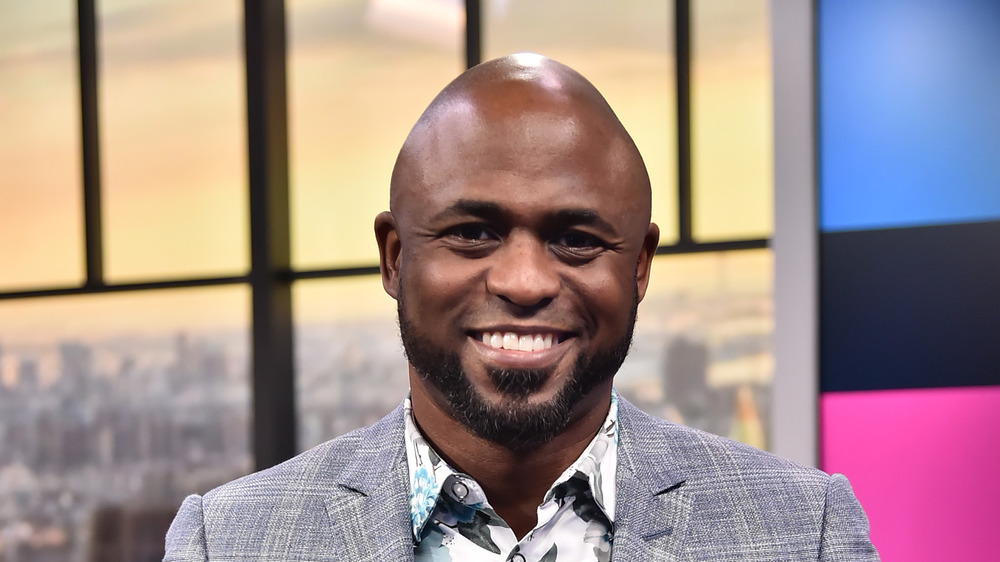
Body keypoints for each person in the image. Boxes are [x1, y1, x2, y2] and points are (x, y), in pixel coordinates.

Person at [164, 53, 878, 561]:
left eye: (575, 239)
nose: (526, 280)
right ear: (394, 256)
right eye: (473, 233)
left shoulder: (803, 532)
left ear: (639, 266)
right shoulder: (228, 542)